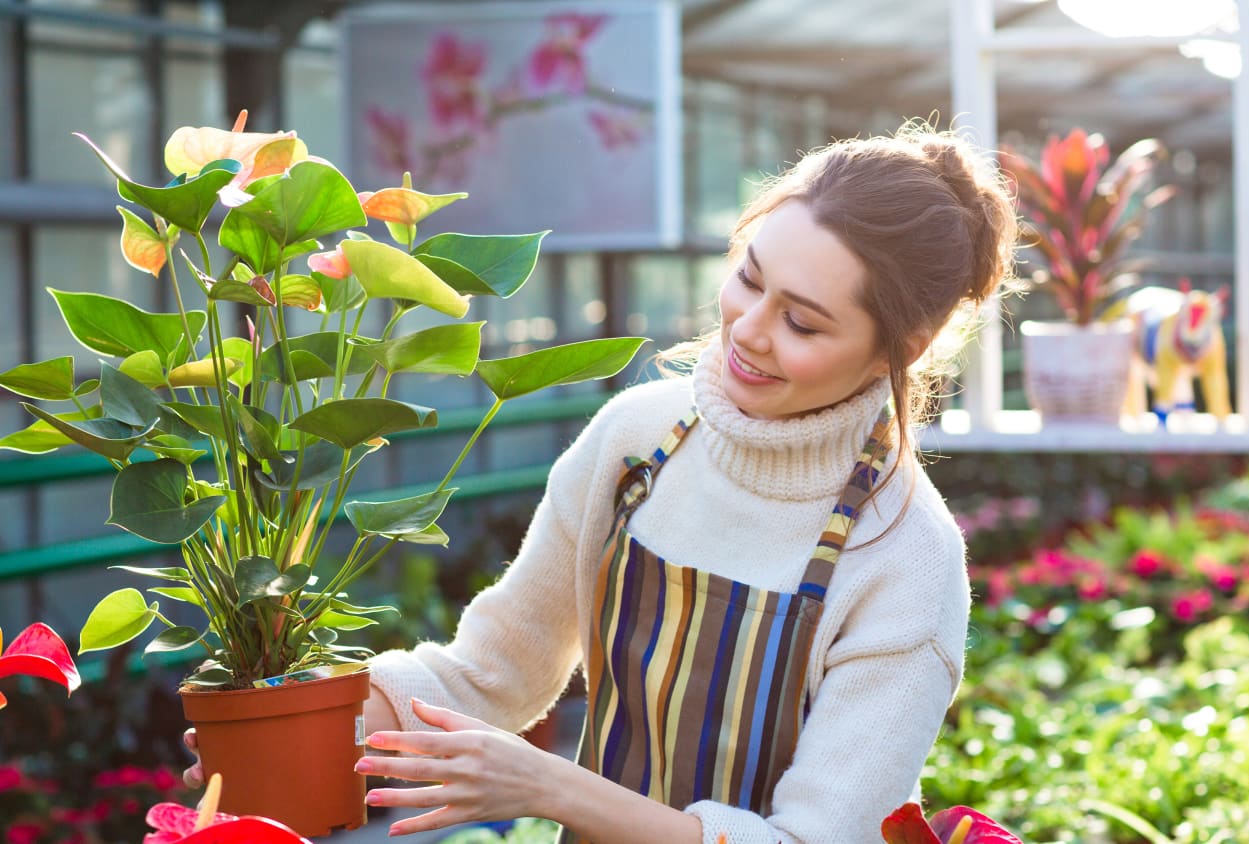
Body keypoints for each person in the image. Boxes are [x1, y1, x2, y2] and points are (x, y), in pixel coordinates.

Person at [184, 124, 1018, 843]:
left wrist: (546, 786)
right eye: (750, 279)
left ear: (898, 348)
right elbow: (487, 674)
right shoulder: (638, 441)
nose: (749, 332)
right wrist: (287, 735)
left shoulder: (904, 557)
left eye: (801, 321)